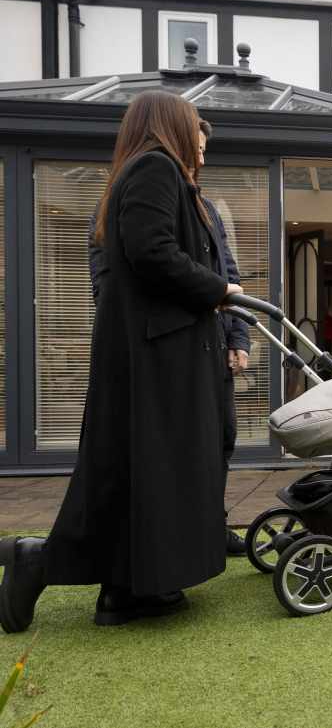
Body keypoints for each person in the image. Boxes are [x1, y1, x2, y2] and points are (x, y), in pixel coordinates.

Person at [0, 90, 243, 632]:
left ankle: (126, 591)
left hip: (151, 352)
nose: (199, 142)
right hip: (160, 357)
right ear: (170, 125)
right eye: (192, 127)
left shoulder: (140, 175)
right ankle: (38, 561)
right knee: (148, 470)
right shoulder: (156, 169)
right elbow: (152, 251)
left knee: (139, 473)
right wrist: (218, 289)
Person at [87, 118, 250, 556]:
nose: (201, 157)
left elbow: (227, 275)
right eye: (196, 147)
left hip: (211, 344)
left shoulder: (205, 209)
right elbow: (112, 280)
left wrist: (238, 338)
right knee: (168, 453)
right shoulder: (125, 199)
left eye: (204, 149)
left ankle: (209, 524)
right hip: (164, 347)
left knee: (219, 440)